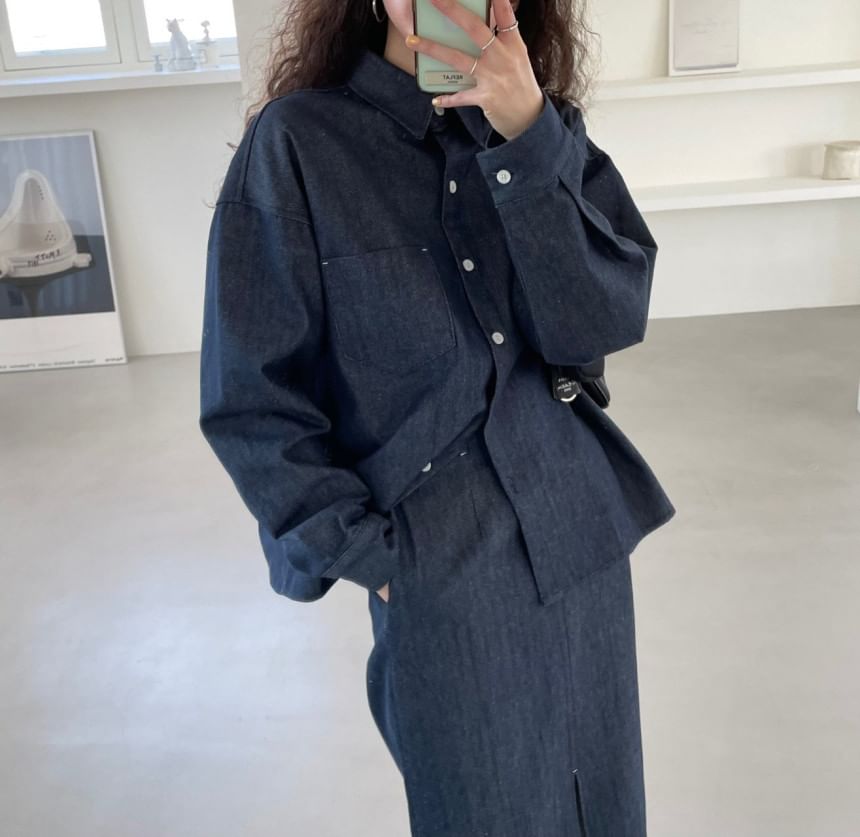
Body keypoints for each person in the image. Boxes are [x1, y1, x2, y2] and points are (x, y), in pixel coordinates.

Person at [198, 0, 677, 834]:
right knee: (482, 812)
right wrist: (371, 555)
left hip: (580, 535)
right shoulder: (300, 144)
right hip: (442, 567)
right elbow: (252, 397)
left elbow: (601, 320)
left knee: (603, 804)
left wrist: (529, 141)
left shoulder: (545, 129)